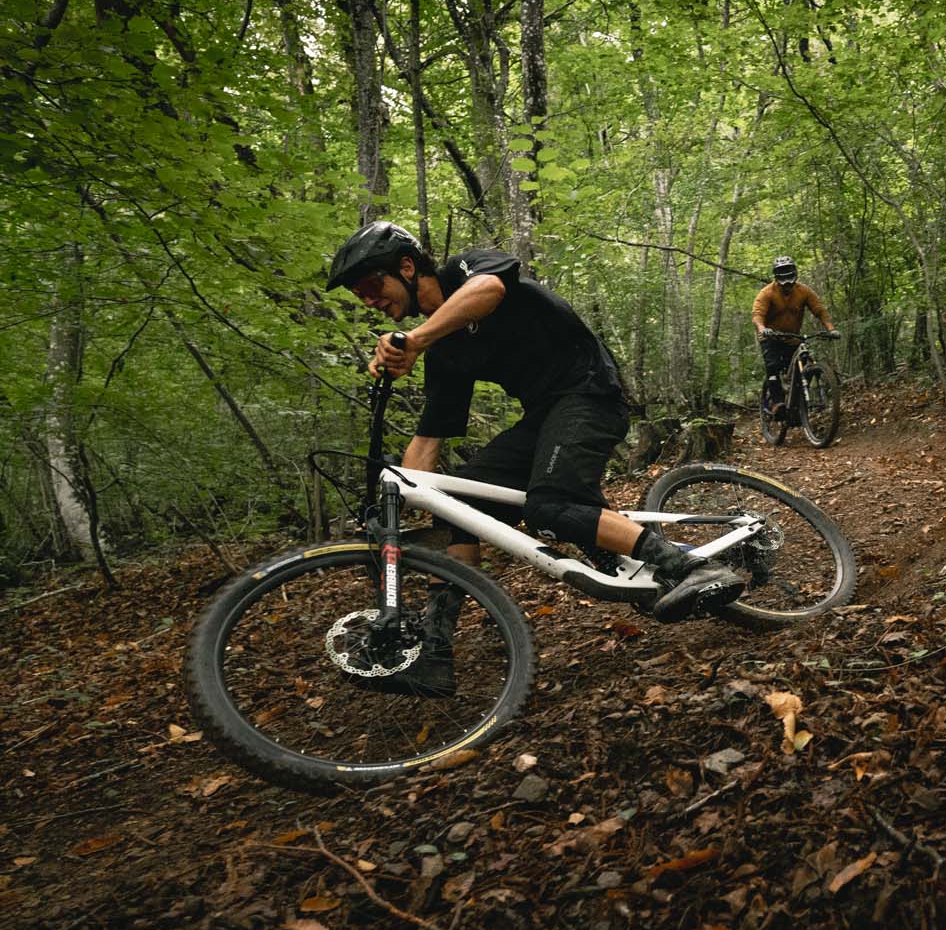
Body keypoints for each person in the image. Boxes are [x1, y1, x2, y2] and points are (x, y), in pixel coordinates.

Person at [326, 221, 742, 691]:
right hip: (543, 416)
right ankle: (435, 653)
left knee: (551, 505)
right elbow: (427, 442)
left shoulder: (465, 270)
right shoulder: (445, 353)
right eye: (359, 295)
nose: (368, 300)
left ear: (406, 267)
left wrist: (416, 340)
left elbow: (490, 290)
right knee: (458, 508)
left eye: (370, 286)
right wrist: (395, 504)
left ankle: (693, 568)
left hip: (589, 392)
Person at [750, 256, 837, 414]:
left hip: (792, 338)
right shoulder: (767, 293)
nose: (787, 287)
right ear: (777, 278)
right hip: (771, 338)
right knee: (773, 367)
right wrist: (762, 328)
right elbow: (757, 315)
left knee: (802, 366)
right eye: (784, 283)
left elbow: (819, 310)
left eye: (790, 283)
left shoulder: (803, 291)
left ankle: (798, 405)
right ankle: (776, 403)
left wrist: (831, 329)